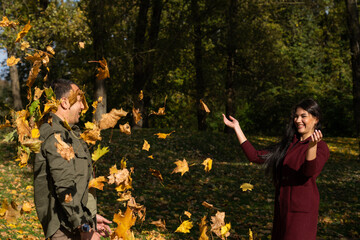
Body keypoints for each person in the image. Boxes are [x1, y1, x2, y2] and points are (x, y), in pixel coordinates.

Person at [223, 99, 330, 240]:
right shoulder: (288, 144)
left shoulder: (321, 147)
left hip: (301, 215)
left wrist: (311, 146)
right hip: (281, 211)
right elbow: (254, 156)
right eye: (296, 116)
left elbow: (309, 171)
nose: (298, 120)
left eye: (303, 116)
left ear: (315, 119)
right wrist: (237, 127)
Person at [34, 79, 112, 240]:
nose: (83, 107)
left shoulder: (69, 133)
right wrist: (84, 226)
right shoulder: (56, 134)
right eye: (79, 101)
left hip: (73, 222)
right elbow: (64, 185)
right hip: (64, 229)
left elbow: (76, 181)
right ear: (64, 102)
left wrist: (90, 218)